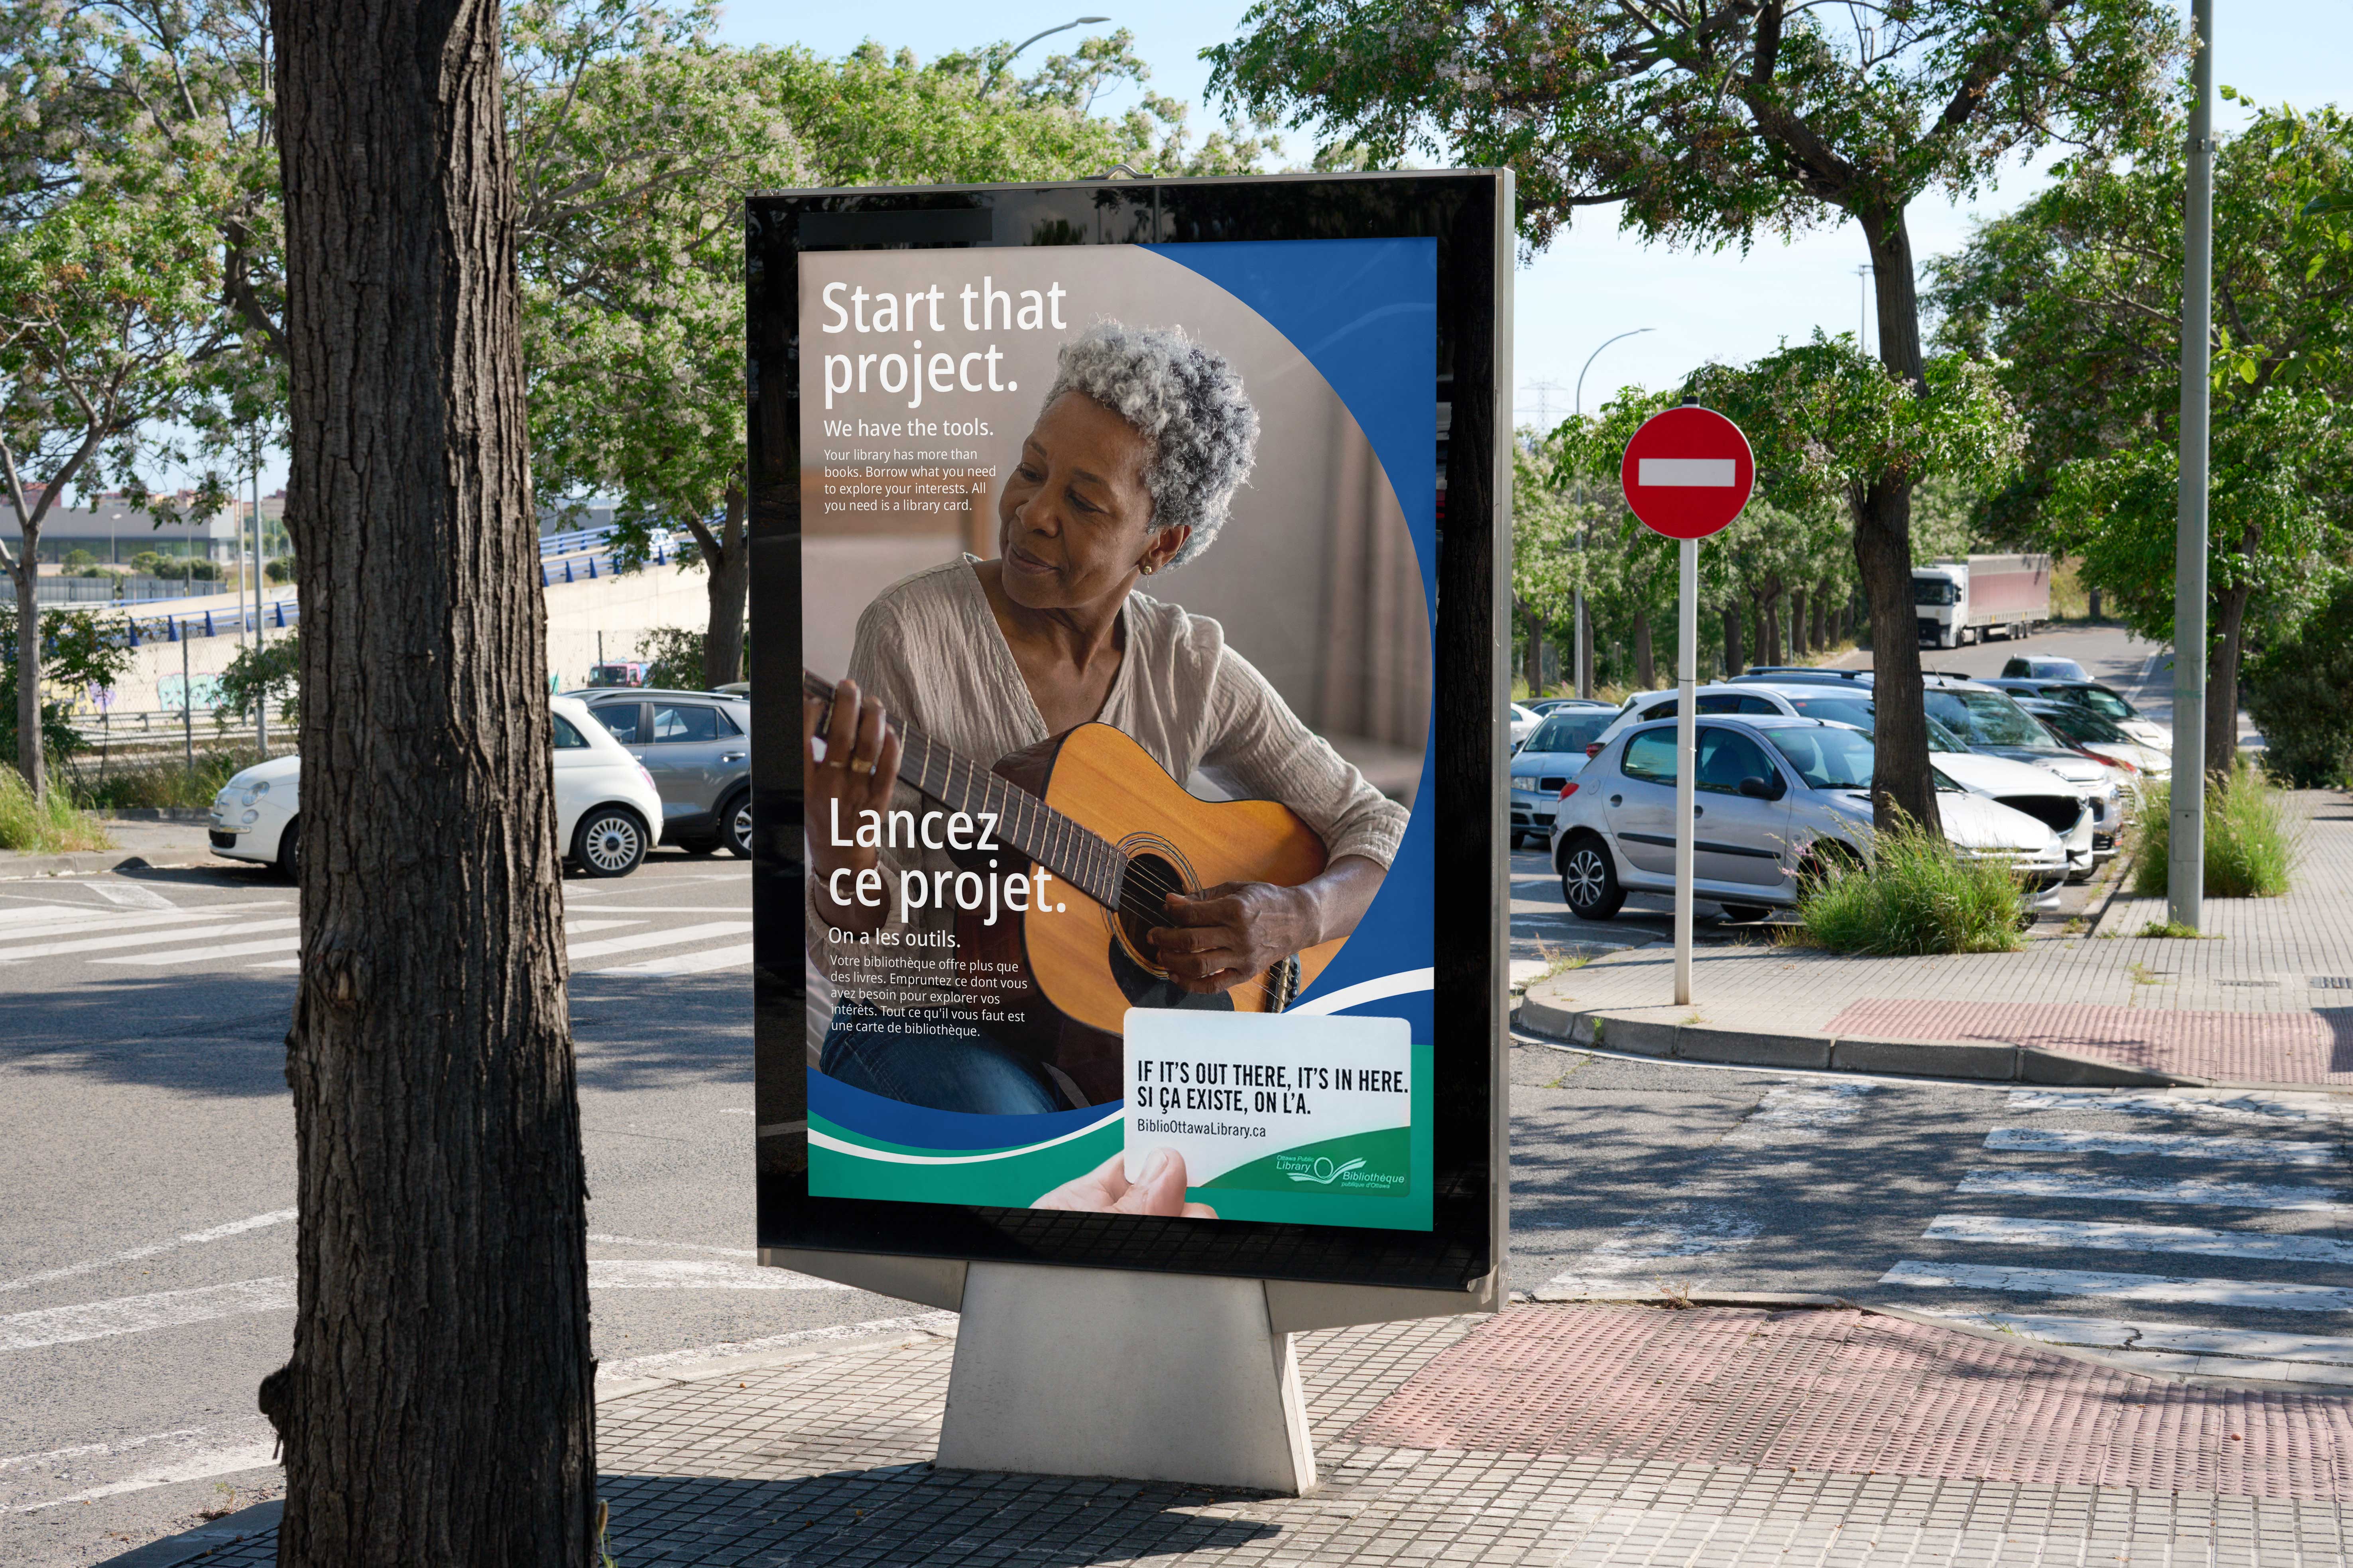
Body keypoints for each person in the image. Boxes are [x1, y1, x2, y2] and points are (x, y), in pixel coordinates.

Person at [803, 321, 1409, 1159]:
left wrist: (1292, 915)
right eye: (1029, 470)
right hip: (931, 1021)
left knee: (1336, 1143)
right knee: (1055, 1160)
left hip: (1111, 1043)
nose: (1031, 514)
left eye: (1085, 502)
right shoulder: (912, 632)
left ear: (1160, 545)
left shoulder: (1187, 662)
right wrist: (847, 859)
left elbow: (1380, 828)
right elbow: (868, 968)